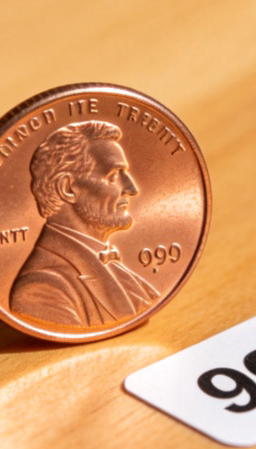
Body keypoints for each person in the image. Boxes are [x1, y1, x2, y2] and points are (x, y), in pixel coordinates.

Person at [10, 121, 158, 326]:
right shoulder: (41, 288)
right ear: (68, 188)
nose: (131, 188)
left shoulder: (115, 265)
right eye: (113, 175)